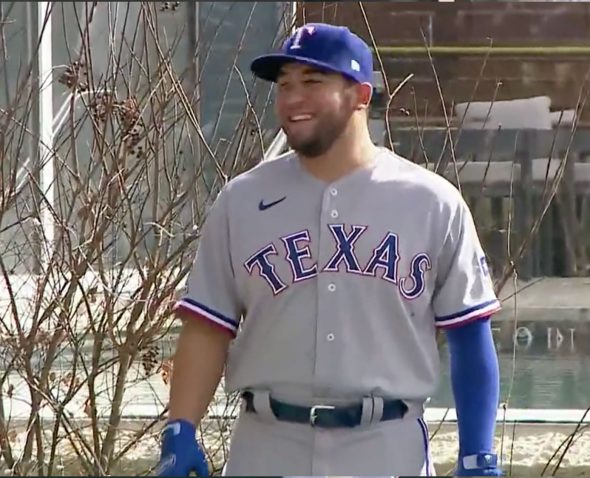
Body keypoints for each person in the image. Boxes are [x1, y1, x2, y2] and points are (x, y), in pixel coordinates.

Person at [156, 22, 504, 477]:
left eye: (312, 82)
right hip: (266, 445)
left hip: (386, 448)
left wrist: (477, 451)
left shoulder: (431, 202)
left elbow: (470, 333)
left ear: (361, 95)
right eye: (284, 85)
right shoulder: (240, 200)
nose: (292, 98)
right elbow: (207, 327)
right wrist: (180, 427)